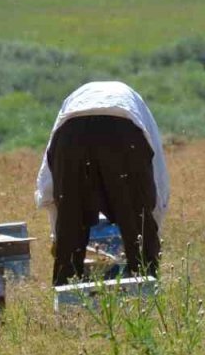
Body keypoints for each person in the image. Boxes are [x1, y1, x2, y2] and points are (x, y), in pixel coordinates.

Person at [35, 81, 169, 286]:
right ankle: (147, 294)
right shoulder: (136, 103)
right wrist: (153, 231)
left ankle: (67, 300)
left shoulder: (72, 101)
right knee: (138, 225)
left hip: (71, 136)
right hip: (122, 133)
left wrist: (58, 233)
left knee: (70, 229)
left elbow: (50, 185)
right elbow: (157, 176)